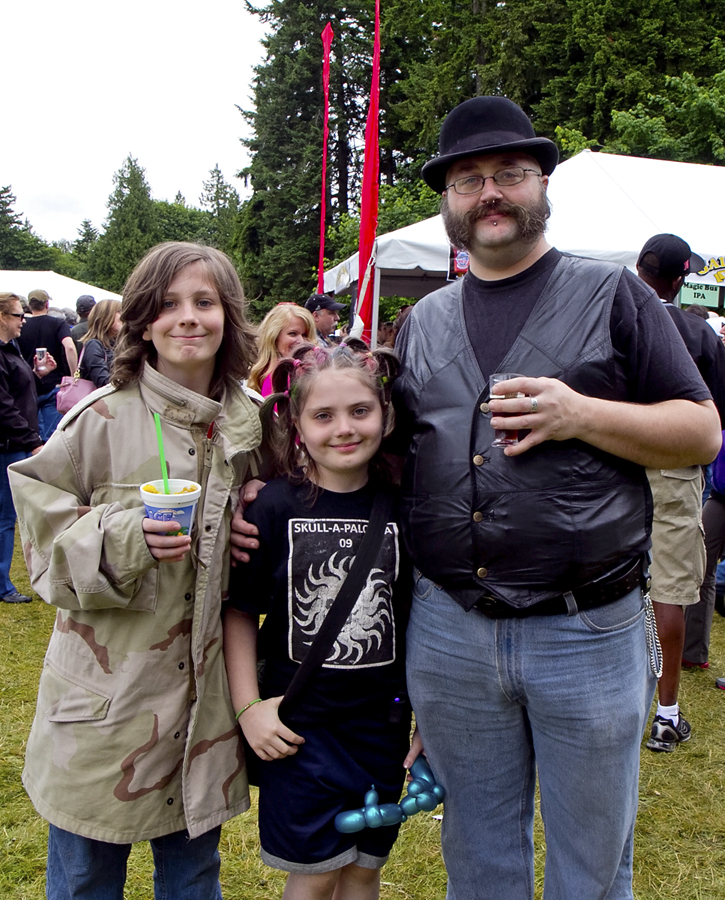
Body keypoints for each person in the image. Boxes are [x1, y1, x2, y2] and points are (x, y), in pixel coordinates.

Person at [232, 97, 721, 900]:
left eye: (508, 173)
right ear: (448, 201)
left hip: (584, 629)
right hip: (451, 632)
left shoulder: (612, 294)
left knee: (592, 863)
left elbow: (699, 431)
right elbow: (371, 449)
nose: (489, 192)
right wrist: (270, 480)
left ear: (541, 184)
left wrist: (582, 414)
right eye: (467, 180)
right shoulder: (423, 321)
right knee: (479, 855)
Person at [9, 242, 262, 899]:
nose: (188, 317)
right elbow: (40, 543)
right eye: (168, 304)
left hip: (202, 715)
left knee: (193, 877)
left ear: (229, 317)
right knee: (86, 878)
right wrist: (126, 536)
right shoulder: (98, 419)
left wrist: (263, 516)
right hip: (105, 712)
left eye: (204, 301)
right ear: (143, 322)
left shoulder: (250, 424)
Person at [224, 344, 412, 900]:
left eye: (360, 411)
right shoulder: (271, 507)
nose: (344, 428)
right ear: (297, 426)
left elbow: (419, 615)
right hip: (297, 729)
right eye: (324, 415)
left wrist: (427, 714)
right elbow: (239, 612)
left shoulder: (407, 505)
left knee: (364, 869)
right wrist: (249, 708)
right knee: (315, 874)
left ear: (385, 415)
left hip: (382, 727)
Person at [634, 234, 725, 752]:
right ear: (679, 279)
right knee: (668, 589)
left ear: (639, 267)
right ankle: (665, 714)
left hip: (612, 466)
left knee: (608, 582)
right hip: (673, 469)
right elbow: (718, 417)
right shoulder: (697, 331)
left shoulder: (612, 315)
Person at [0, 292, 57, 604]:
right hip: (8, 445)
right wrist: (33, 441)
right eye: (17, 315)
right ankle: (2, 585)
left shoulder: (11, 349)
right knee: (5, 517)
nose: (23, 320)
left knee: (9, 516)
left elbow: (20, 393)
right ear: (2, 318)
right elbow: (4, 408)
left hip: (16, 441)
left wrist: (38, 375)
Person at [16, 288, 78, 441]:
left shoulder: (21, 326)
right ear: (47, 304)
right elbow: (69, 347)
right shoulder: (57, 323)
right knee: (53, 437)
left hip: (29, 385)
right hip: (54, 385)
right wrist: (74, 375)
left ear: (29, 306)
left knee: (32, 434)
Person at [247, 302, 317, 395]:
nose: (301, 341)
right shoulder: (278, 378)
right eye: (293, 333)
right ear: (274, 337)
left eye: (305, 335)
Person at [78, 298, 122, 387]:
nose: (123, 316)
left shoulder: (118, 343)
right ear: (107, 316)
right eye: (119, 312)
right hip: (102, 394)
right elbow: (103, 381)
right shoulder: (94, 345)